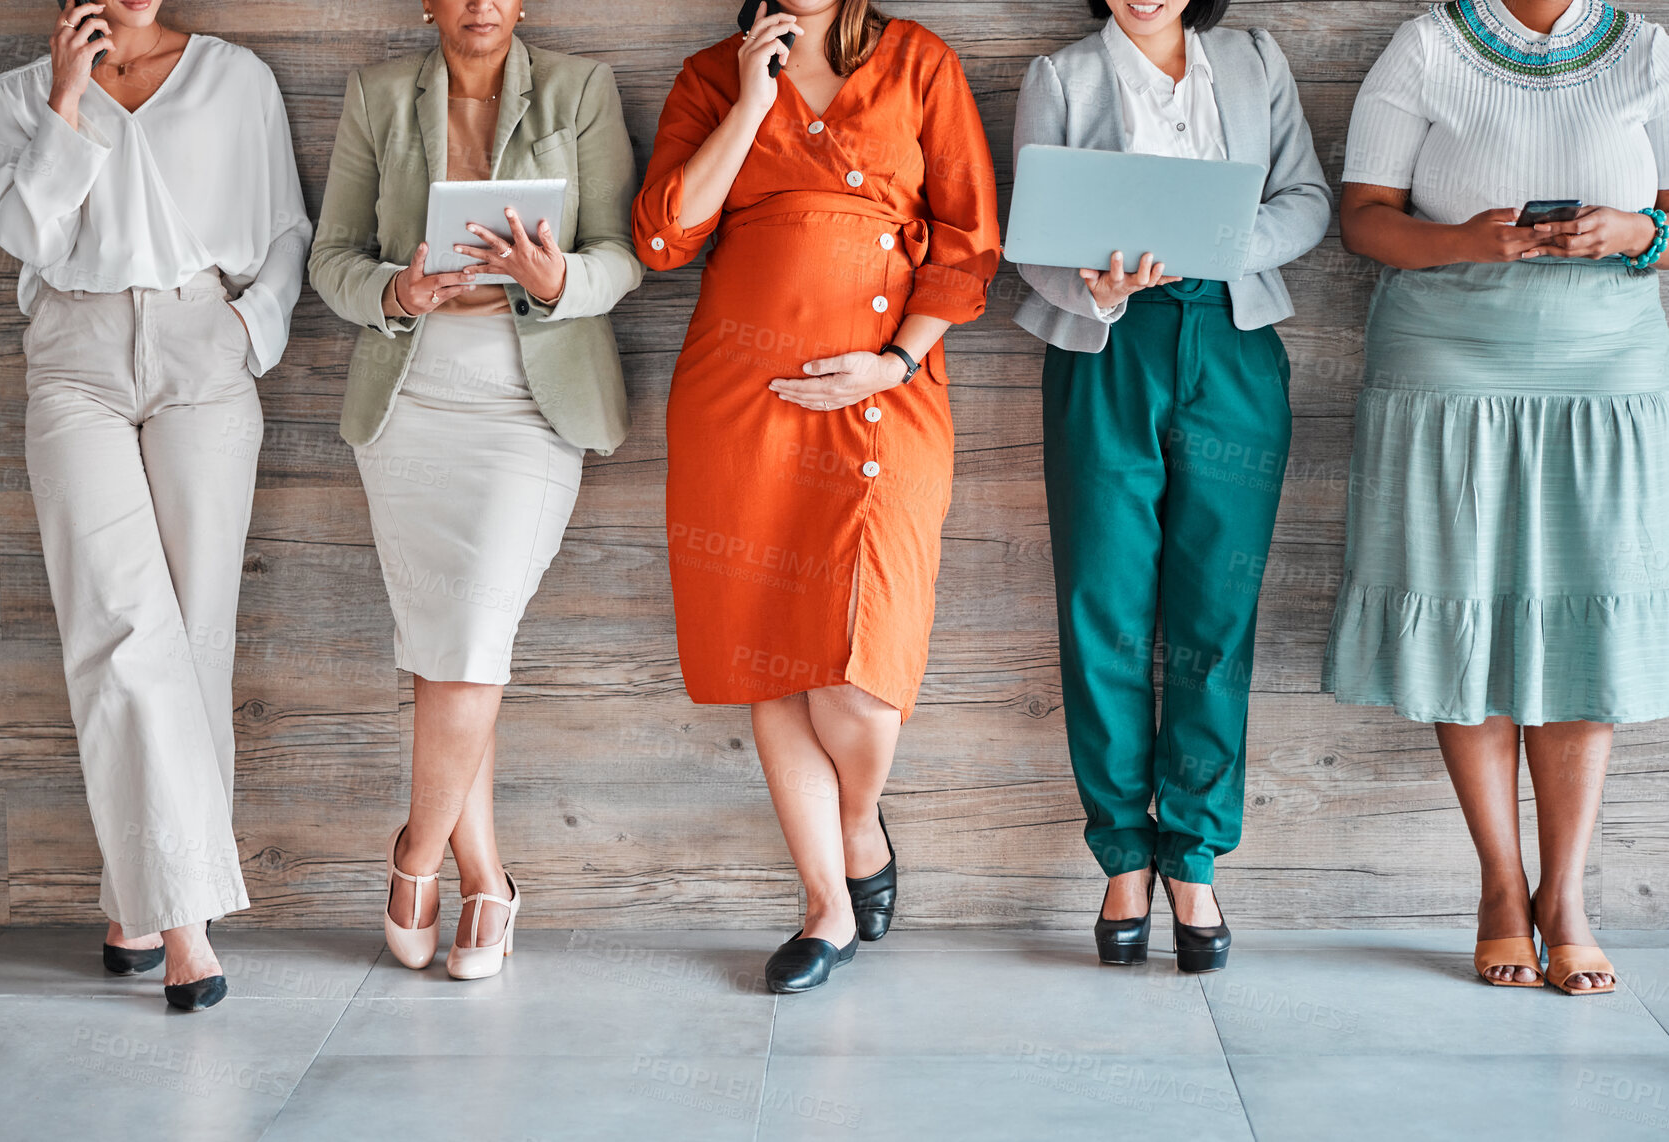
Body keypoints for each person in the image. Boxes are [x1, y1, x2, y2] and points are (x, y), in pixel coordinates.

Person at [634, 0, 1000, 993]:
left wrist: (892, 364)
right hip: (738, 402)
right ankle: (823, 903)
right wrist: (752, 102)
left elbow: (967, 242)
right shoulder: (716, 73)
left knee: (861, 665)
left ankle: (854, 823)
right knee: (769, 651)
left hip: (884, 392)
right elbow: (663, 236)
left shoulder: (919, 61)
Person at [1325, 0, 1669, 996]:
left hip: (1603, 365)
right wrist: (1472, 242)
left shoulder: (1648, 51)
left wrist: (1639, 227)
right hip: (1446, 362)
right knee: (1461, 601)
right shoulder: (1427, 43)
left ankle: (1564, 895)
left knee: (1580, 613)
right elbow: (1363, 219)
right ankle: (1498, 882)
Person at [0, 0, 309, 1010]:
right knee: (119, 629)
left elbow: (284, 228)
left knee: (195, 637)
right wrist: (66, 103)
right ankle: (185, 926)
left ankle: (136, 894)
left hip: (201, 349)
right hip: (74, 360)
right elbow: (24, 234)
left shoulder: (234, 79)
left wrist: (247, 333)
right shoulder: (13, 97)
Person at [309, 0, 641, 980]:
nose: (482, 4)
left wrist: (555, 278)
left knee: (471, 631)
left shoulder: (578, 91)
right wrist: (396, 294)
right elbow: (331, 257)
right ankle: (485, 878)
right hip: (410, 408)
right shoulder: (378, 96)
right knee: (459, 647)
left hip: (529, 417)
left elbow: (623, 256)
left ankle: (416, 853)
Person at [1012, 0, 1328, 972]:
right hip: (1110, 348)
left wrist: (1226, 243)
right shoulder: (1059, 78)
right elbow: (1029, 237)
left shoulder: (1253, 60)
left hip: (1231, 344)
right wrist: (1095, 288)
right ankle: (1121, 852)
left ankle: (1192, 852)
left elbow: (1307, 199)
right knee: (1099, 605)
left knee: (1216, 616)